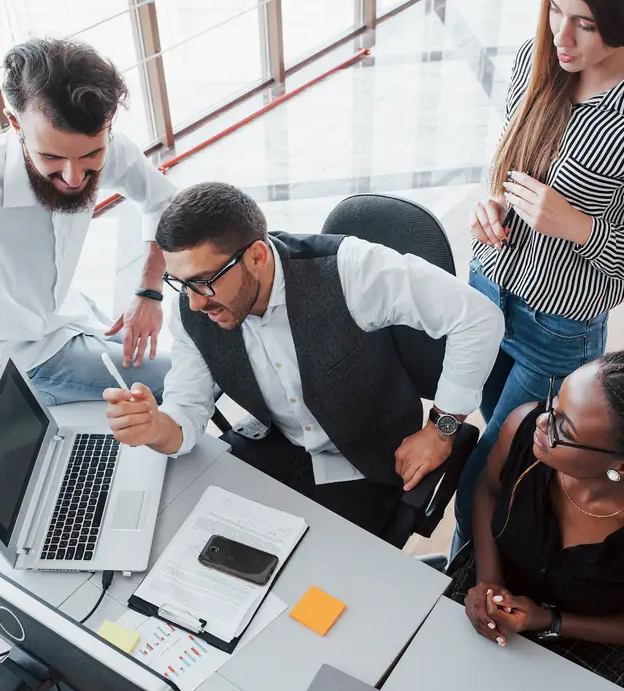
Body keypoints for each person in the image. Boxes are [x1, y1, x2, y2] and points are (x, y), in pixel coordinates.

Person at [103, 182, 503, 539]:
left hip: (366, 462)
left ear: (257, 256)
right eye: (181, 283)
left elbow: (479, 318)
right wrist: (157, 428)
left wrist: (441, 429)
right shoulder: (192, 307)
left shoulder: (351, 271)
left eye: (205, 281)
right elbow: (187, 409)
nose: (193, 301)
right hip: (273, 445)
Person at [455, 0, 624, 551]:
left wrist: (583, 229)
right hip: (487, 292)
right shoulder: (537, 61)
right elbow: (512, 167)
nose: (561, 36)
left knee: (480, 483)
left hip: (556, 329)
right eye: (556, 10)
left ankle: (460, 596)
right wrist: (491, 204)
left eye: (585, 25)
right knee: (506, 448)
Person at [0, 38, 176, 426]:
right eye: (52, 157)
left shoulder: (106, 144)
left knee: (194, 362)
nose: (73, 178)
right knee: (182, 379)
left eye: (91, 158)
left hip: (70, 316)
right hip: (16, 358)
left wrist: (149, 292)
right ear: (15, 123)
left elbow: (163, 202)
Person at [448, 350, 624, 685]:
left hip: (591, 632)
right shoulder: (524, 428)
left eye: (563, 428)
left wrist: (548, 620)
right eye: (556, 400)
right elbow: (489, 491)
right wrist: (488, 583)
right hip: (496, 575)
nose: (543, 421)